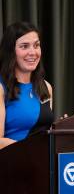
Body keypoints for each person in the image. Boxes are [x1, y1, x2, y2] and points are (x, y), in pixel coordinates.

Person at [0, 21, 54, 149]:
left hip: (41, 164)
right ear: (11, 51)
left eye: (36, 45)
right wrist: (29, 149)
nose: (32, 52)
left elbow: (45, 133)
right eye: (24, 46)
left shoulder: (46, 87)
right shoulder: (1, 88)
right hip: (11, 164)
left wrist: (68, 126)